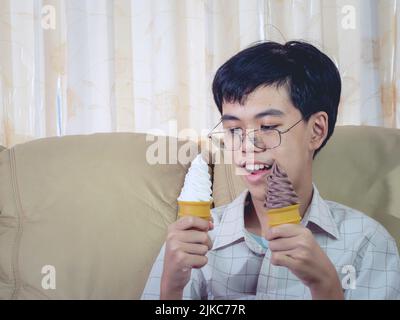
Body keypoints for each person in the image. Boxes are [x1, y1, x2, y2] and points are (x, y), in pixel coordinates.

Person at [141, 41, 400, 300]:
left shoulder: (367, 243)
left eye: (267, 126)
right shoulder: (195, 239)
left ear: (317, 130)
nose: (247, 146)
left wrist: (326, 285)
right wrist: (171, 289)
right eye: (234, 130)